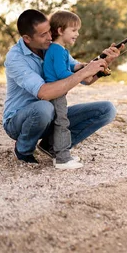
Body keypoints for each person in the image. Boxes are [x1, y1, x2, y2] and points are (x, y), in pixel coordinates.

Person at [2, 9, 122, 164]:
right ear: (27, 38)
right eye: (43, 34)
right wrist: (84, 72)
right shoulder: (15, 58)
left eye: (49, 31)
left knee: (107, 110)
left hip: (51, 115)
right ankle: (24, 149)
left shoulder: (53, 48)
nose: (50, 37)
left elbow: (85, 79)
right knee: (44, 107)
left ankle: (52, 146)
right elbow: (44, 93)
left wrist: (103, 63)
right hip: (19, 121)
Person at [43, 10, 86, 169]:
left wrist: (78, 66)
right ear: (60, 31)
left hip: (57, 92)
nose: (77, 33)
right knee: (62, 123)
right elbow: (61, 73)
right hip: (56, 93)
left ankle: (60, 154)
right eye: (74, 30)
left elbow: (66, 66)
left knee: (60, 122)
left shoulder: (58, 49)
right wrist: (82, 74)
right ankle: (62, 159)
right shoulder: (57, 49)